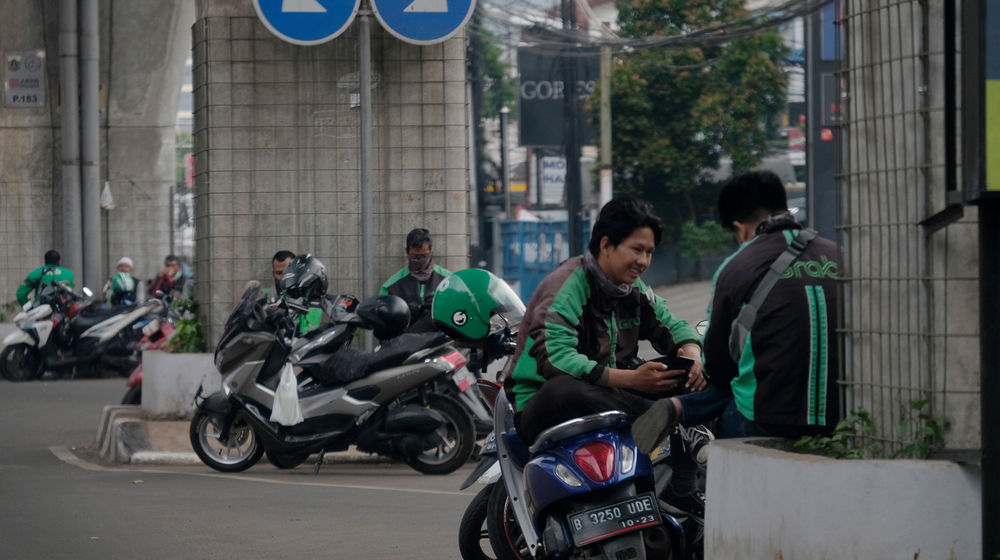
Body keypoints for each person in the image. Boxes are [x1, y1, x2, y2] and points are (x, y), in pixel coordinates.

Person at [505, 195, 704, 512]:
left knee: (684, 372)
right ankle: (671, 418)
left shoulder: (634, 290)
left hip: (614, 392)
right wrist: (632, 380)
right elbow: (554, 358)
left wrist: (692, 353)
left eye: (650, 252)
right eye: (637, 250)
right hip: (545, 403)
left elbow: (671, 324)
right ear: (607, 245)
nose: (643, 261)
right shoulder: (566, 285)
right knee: (564, 387)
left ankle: (682, 484)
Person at [669, 170, 840, 439]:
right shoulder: (838, 254)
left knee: (730, 395)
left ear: (740, 228)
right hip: (843, 415)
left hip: (768, 419)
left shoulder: (736, 267)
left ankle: (684, 412)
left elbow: (717, 366)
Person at [379, 228, 452, 331]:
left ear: (431, 251)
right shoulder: (391, 286)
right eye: (415, 256)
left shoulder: (449, 281)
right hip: (405, 342)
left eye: (424, 256)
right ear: (407, 252)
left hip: (441, 341)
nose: (420, 260)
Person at [269, 250, 322, 334]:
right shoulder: (268, 294)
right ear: (273, 273)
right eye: (279, 273)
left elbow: (309, 333)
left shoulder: (310, 296)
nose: (283, 276)